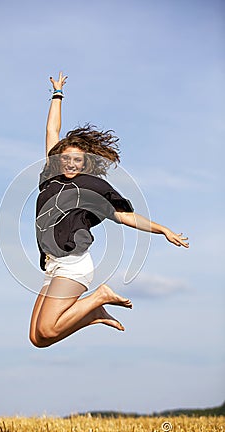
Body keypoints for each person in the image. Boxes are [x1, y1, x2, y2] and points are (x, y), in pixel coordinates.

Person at [29, 72, 189, 348]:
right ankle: (93, 314)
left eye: (77, 160)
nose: (70, 164)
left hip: (72, 264)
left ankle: (99, 297)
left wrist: (163, 229)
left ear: (85, 163)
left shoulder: (92, 189)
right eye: (66, 158)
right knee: (38, 338)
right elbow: (51, 132)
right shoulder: (50, 177)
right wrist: (57, 94)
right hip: (51, 264)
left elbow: (123, 216)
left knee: (48, 328)